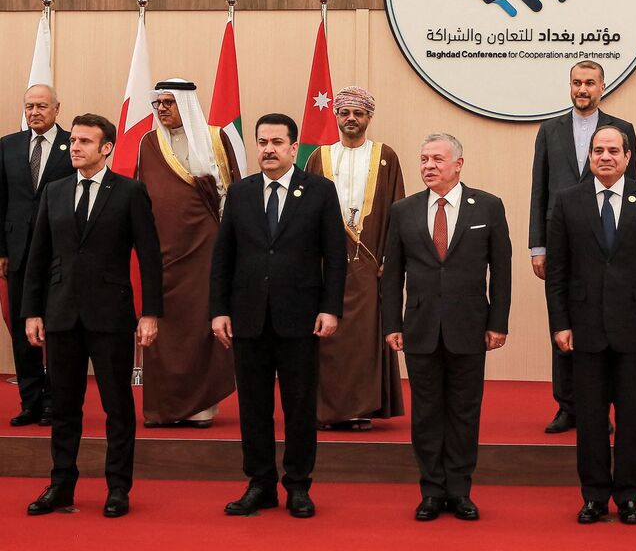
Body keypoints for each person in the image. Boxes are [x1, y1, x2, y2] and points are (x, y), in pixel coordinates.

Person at [22, 114, 163, 518]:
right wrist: (32, 311)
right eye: (73, 141)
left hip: (112, 317)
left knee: (117, 406)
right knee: (64, 407)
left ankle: (118, 488)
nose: (74, 147)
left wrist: (150, 312)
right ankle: (61, 486)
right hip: (61, 314)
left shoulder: (130, 192)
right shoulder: (54, 191)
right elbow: (38, 257)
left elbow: (150, 258)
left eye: (85, 141)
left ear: (107, 148)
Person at [210, 113, 347, 518]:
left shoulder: (320, 191)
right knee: (253, 408)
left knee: (300, 407)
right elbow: (223, 258)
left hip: (301, 317)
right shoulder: (240, 192)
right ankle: (260, 484)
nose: (268, 149)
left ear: (293, 147)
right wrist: (219, 310)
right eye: (262, 142)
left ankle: (299, 487)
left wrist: (330, 307)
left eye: (276, 142)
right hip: (248, 317)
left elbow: (335, 257)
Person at [545, 125, 636, 525]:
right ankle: (595, 496)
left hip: (634, 330)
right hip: (583, 331)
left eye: (613, 151)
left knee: (632, 419)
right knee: (589, 419)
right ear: (589, 156)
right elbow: (558, 272)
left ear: (627, 156)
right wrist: (560, 324)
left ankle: (629, 497)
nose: (605, 156)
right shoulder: (567, 202)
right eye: (598, 150)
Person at [382, 133, 512, 522]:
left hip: (470, 327)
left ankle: (459, 490)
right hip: (419, 327)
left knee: (463, 412)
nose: (428, 166)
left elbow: (501, 271)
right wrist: (392, 323)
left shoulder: (487, 206)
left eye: (437, 159)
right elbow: (392, 275)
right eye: (423, 159)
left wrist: (498, 323)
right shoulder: (403, 210)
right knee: (425, 414)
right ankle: (431, 491)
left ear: (458, 164)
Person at [529, 60, 636, 434]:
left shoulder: (622, 130)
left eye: (590, 83)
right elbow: (538, 189)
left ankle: (600, 408)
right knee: (562, 322)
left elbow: (632, 191)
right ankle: (568, 406)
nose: (582, 89)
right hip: (561, 240)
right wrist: (536, 247)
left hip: (605, 242)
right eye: (576, 82)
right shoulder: (549, 130)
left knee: (603, 325)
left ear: (602, 88)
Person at [136, 79, 239, 428]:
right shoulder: (149, 143)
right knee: (164, 327)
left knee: (199, 324)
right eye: (158, 102)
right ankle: (164, 407)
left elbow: (232, 195)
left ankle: (201, 406)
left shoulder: (215, 139)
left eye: (169, 101)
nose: (162, 108)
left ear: (186, 103)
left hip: (206, 249)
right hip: (162, 252)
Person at [305, 86, 405, 430]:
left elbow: (399, 212)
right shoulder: (319, 156)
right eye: (345, 113)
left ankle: (360, 409)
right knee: (328, 337)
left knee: (363, 337)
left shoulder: (386, 156)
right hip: (325, 263)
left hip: (369, 263)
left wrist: (391, 259)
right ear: (336, 116)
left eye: (358, 114)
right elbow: (305, 215)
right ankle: (329, 410)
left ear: (369, 118)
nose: (351, 119)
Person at [0, 84, 73, 426]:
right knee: (21, 326)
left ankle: (54, 402)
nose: (34, 112)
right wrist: (1, 250)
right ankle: (30, 401)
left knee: (56, 328)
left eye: (41, 106)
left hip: (59, 253)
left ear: (57, 108)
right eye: (29, 106)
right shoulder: (8, 146)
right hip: (18, 253)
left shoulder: (72, 144)